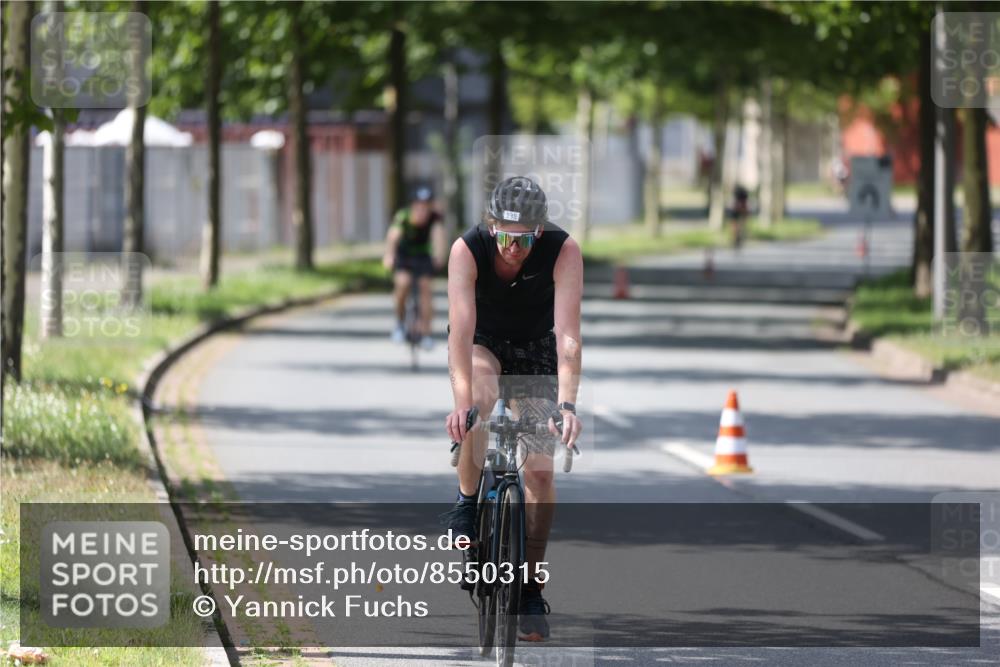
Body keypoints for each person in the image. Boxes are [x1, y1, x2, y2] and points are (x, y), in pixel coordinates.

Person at [443, 176, 583, 642]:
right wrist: (462, 405)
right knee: (479, 402)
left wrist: (566, 405)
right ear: (490, 226)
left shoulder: (564, 251)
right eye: (504, 236)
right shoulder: (467, 249)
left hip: (535, 348)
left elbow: (567, 338)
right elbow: (460, 335)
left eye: (524, 239)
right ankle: (467, 504)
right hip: (482, 342)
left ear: (539, 232)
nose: (512, 248)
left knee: (541, 470)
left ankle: (529, 585)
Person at [382, 186, 446, 349]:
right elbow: (393, 236)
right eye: (418, 206)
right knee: (402, 284)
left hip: (423, 256)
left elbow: (439, 236)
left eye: (426, 206)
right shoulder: (403, 216)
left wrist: (439, 256)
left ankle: (426, 333)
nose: (422, 210)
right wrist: (389, 256)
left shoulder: (435, 218)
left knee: (426, 289)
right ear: (412, 205)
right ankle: (400, 323)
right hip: (404, 255)